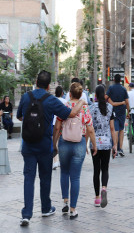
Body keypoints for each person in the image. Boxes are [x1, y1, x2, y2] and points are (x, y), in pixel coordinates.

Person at [17, 70, 86, 227]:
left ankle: (26, 214)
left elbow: (20, 116)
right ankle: (46, 208)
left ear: (36, 81)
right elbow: (72, 114)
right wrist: (81, 101)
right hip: (44, 145)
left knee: (28, 178)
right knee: (45, 177)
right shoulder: (51, 100)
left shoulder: (26, 97)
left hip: (28, 145)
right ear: (49, 86)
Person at [53, 82, 97, 219]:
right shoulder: (84, 107)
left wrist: (54, 143)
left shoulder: (64, 106)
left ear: (69, 94)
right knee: (76, 177)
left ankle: (65, 201)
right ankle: (73, 209)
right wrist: (94, 145)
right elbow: (90, 128)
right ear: (80, 94)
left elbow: (57, 126)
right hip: (79, 143)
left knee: (64, 172)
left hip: (64, 143)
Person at [89, 85, 117, 208]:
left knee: (96, 170)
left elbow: (88, 127)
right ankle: (104, 188)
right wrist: (115, 144)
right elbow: (112, 128)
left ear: (95, 95)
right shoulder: (110, 107)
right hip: (106, 142)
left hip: (95, 143)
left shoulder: (91, 108)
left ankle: (96, 198)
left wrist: (85, 143)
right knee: (105, 168)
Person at [106, 74, 129, 157]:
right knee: (121, 129)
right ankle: (120, 148)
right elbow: (127, 101)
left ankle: (114, 147)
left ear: (114, 80)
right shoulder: (123, 89)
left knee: (115, 129)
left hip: (113, 111)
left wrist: (111, 102)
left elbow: (106, 97)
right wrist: (128, 112)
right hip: (122, 112)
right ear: (120, 80)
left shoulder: (111, 88)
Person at [52, 86, 67, 170]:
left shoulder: (53, 101)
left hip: (53, 124)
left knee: (54, 143)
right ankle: (61, 161)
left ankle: (55, 161)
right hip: (62, 124)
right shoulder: (65, 102)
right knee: (61, 142)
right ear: (62, 93)